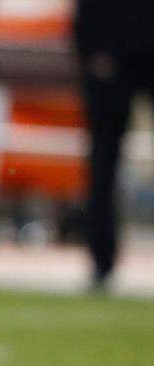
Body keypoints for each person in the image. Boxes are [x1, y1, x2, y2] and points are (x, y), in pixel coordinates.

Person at [74, 0, 154, 288]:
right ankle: (101, 259)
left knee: (103, 160)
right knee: (102, 160)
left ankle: (101, 259)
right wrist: (93, 41)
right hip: (112, 41)